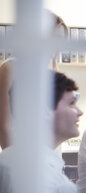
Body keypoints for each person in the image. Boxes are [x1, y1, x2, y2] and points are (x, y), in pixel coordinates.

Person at [0, 10, 67, 150]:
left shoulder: (53, 68)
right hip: (20, 152)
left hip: (48, 150)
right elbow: (4, 125)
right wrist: (14, 162)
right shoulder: (11, 68)